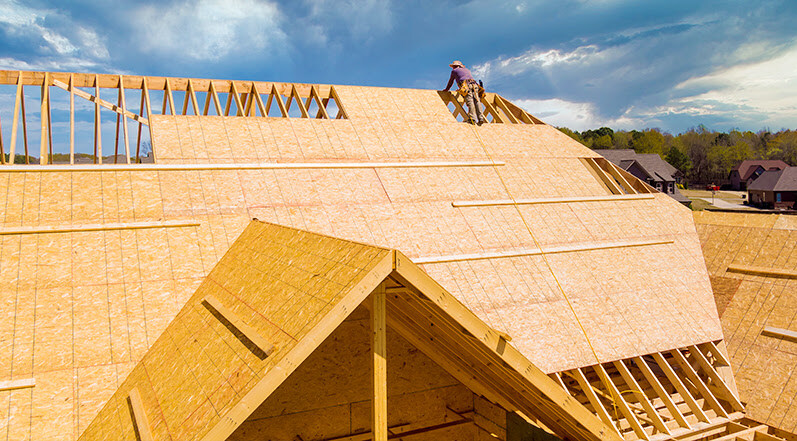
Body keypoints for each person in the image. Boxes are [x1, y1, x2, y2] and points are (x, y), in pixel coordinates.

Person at [443, 60, 486, 125]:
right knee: (477, 101)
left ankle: (473, 119)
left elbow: (451, 82)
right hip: (475, 85)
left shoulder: (454, 71)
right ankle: (481, 118)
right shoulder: (467, 70)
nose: (453, 68)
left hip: (466, 86)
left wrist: (446, 89)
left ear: (455, 66)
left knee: (470, 101)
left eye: (453, 66)